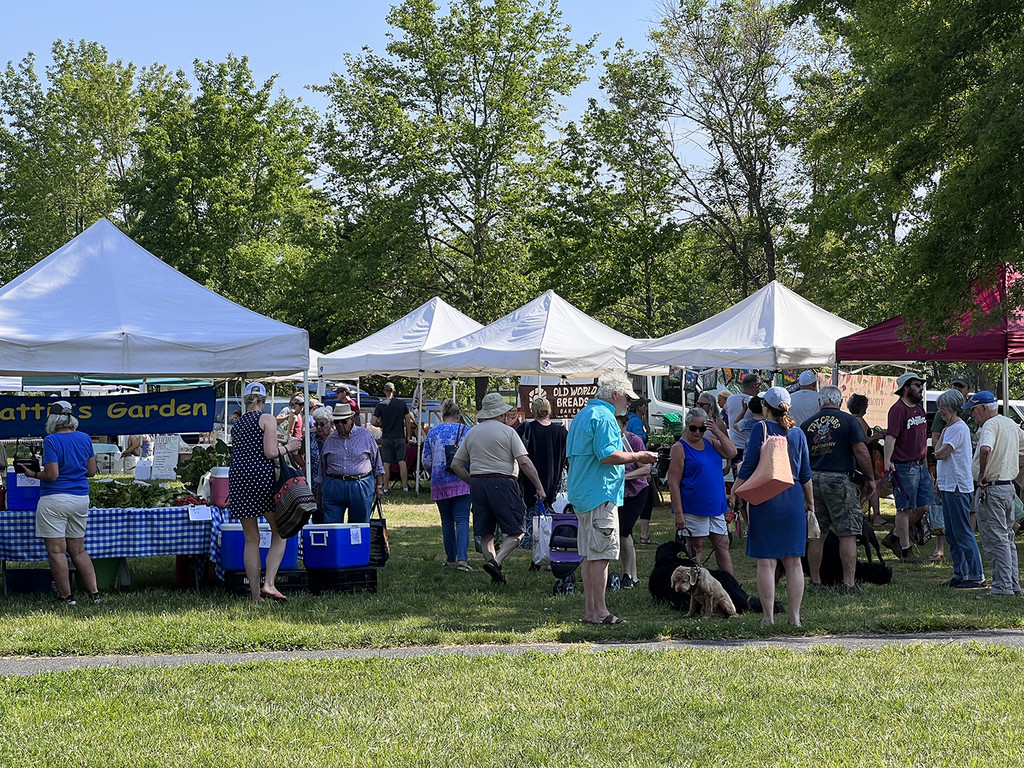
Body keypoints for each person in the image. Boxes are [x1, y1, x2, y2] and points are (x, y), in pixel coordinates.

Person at [566, 374, 658, 625]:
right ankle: (600, 612)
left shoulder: (583, 415)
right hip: (600, 494)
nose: (629, 403)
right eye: (627, 397)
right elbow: (607, 455)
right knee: (601, 555)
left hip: (583, 494)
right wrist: (639, 456)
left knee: (590, 555)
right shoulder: (605, 417)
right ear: (615, 394)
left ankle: (590, 611)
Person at [732, 387, 813, 627]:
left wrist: (736, 490)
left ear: (765, 407)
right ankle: (795, 618)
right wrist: (810, 502)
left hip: (766, 497)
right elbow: (805, 473)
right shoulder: (798, 433)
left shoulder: (761, 428)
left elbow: (749, 464)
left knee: (766, 562)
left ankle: (768, 618)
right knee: (794, 561)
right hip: (793, 498)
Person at [451, 392, 546, 585]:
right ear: (500, 414)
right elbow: (524, 461)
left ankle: (496, 574)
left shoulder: (472, 432)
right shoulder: (508, 432)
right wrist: (539, 486)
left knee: (486, 533)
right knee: (517, 530)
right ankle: (496, 562)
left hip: (478, 483)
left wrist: (471, 481)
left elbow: (456, 465)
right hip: (503, 482)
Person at [228, 382, 302, 604]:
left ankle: (255, 596)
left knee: (251, 539)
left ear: (245, 401)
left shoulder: (238, 425)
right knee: (280, 532)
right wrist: (290, 447)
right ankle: (269, 583)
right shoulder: (266, 418)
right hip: (261, 479)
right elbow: (270, 453)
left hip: (238, 480)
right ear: (263, 400)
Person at [23, 401, 101, 605]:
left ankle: (66, 597)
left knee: (57, 551)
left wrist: (33, 474)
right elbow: (91, 471)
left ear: (52, 420)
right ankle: (94, 594)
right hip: (80, 498)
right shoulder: (85, 438)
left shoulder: (51, 440)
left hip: (54, 499)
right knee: (79, 550)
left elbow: (52, 475)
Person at [801, 385, 876, 593]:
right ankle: (848, 583)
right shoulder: (849, 421)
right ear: (840, 402)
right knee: (847, 533)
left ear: (820, 402)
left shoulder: (807, 424)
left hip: (813, 480)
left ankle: (815, 581)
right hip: (840, 480)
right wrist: (870, 478)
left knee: (817, 533)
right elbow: (860, 450)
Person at [965, 391, 1024, 598]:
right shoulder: (1011, 424)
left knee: (995, 539)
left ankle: (1002, 587)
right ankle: (1013, 584)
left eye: (973, 410)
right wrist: (1013, 464)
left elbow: (985, 449)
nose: (972, 415)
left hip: (992, 488)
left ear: (983, 408)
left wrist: (982, 473)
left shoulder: (990, 425)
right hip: (1008, 487)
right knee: (1007, 538)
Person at [667, 406, 737, 576]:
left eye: (702, 429)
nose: (697, 432)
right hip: (693, 507)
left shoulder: (709, 442)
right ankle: (694, 584)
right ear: (687, 426)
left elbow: (732, 452)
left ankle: (730, 585)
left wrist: (717, 432)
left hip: (716, 506)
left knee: (723, 544)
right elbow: (673, 482)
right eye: (693, 428)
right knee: (696, 546)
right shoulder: (679, 448)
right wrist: (679, 513)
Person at [932, 389, 985, 590]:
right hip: (948, 485)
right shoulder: (950, 428)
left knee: (962, 532)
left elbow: (941, 453)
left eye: (943, 407)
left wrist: (939, 445)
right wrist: (939, 482)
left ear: (953, 407)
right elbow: (938, 452)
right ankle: (960, 573)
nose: (941, 411)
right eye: (940, 407)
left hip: (957, 487)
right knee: (952, 534)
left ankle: (976, 575)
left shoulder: (958, 428)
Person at [882, 372, 931, 563]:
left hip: (920, 465)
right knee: (904, 508)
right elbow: (890, 437)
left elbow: (922, 441)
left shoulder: (919, 409)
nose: (921, 388)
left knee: (924, 506)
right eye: (917, 384)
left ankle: (894, 536)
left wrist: (925, 466)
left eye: (921, 384)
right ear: (906, 388)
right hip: (904, 466)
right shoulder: (897, 410)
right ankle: (906, 550)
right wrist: (887, 460)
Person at [421, 399, 473, 571]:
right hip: (462, 480)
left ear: (442, 416)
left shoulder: (433, 432)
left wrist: (434, 471)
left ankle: (450, 560)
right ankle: (462, 560)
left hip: (439, 481)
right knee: (462, 520)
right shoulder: (467, 431)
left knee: (447, 522)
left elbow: (426, 460)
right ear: (458, 415)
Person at [317, 402, 386, 524]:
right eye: (336, 422)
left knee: (358, 527)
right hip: (334, 486)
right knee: (332, 526)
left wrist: (379, 486)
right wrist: (319, 494)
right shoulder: (330, 440)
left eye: (343, 421)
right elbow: (322, 469)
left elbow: (377, 463)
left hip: (360, 484)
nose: (340, 425)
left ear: (351, 419)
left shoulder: (365, 435)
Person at [517, 396, 568, 550]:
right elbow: (568, 458)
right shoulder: (561, 432)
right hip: (555, 480)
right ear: (549, 410)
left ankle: (533, 544)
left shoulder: (526, 429)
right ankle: (551, 543)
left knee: (532, 516)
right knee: (552, 516)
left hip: (530, 480)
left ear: (532, 410)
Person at [616, 412, 652, 588]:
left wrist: (624, 477)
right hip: (619, 494)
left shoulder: (634, 441)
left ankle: (630, 575)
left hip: (637, 491)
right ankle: (630, 574)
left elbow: (646, 469)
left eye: (618, 427)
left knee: (625, 531)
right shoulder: (609, 441)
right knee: (623, 534)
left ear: (625, 425)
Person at [847, 393, 885, 527]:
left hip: (855, 460)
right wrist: (875, 437)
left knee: (861, 487)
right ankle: (877, 516)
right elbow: (863, 440)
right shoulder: (859, 420)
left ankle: (858, 513)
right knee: (873, 484)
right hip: (863, 459)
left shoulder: (851, 419)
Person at [372, 382, 415, 492]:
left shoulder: (381, 405)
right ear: (394, 390)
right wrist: (408, 436)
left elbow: (373, 421)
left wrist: (381, 425)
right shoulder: (401, 404)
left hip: (386, 437)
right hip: (400, 436)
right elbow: (408, 420)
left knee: (386, 463)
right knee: (402, 461)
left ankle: (385, 487)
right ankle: (405, 487)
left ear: (384, 391)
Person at [725, 373, 763, 473]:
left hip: (734, 445)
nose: (761, 387)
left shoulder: (730, 399)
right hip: (750, 447)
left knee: (737, 477)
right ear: (754, 387)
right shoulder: (754, 402)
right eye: (760, 385)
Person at [309, 405, 334, 497]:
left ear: (331, 423)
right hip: (314, 481)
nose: (318, 427)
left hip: (332, 481)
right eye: (316, 424)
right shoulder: (311, 436)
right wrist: (304, 464)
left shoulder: (337, 438)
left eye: (322, 424)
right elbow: (297, 452)